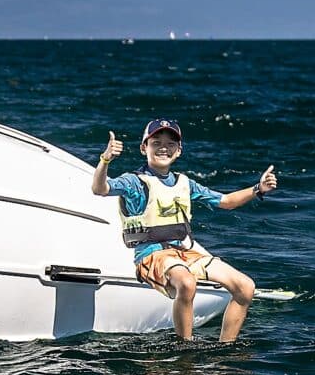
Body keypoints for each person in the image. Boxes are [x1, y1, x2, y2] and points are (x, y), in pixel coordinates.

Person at [92, 118, 278, 342]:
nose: (164, 147)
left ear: (178, 151)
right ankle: (184, 348)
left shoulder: (184, 183)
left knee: (245, 287)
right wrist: (105, 160)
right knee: (187, 283)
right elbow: (100, 188)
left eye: (171, 144)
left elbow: (226, 201)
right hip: (151, 256)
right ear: (144, 148)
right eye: (156, 142)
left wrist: (258, 189)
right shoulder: (133, 182)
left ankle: (225, 349)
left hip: (184, 254)